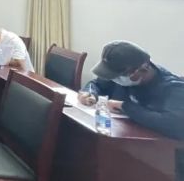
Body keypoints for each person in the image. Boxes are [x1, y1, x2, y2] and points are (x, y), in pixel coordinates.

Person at [78, 40, 184, 179]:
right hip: (126, 150)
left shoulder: (173, 88)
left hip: (164, 164)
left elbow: (174, 125)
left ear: (141, 69)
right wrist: (90, 93)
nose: (115, 79)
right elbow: (97, 83)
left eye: (118, 76)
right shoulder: (120, 73)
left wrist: (125, 107)